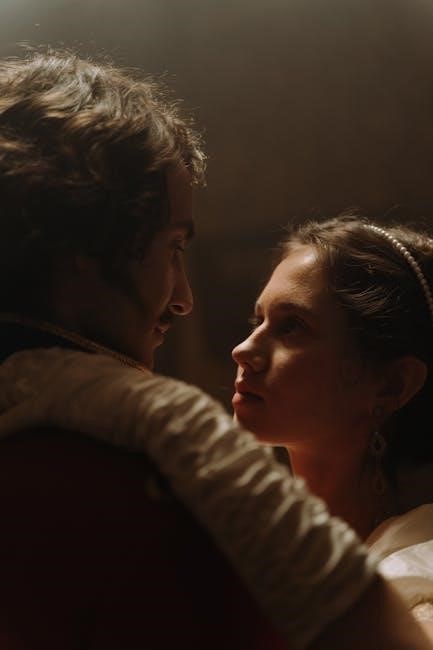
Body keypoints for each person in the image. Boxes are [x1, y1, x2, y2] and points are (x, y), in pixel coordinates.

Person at [0, 50, 430, 649]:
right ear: (85, 246)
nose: (183, 300)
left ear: (392, 384)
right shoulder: (144, 461)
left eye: (293, 327)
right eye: (173, 248)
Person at [232, 214, 433, 634]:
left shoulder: (416, 588)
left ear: (392, 385)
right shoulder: (257, 555)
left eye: (292, 327)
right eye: (258, 321)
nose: (243, 349)